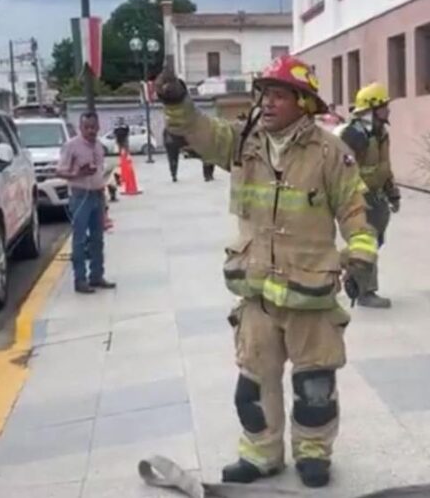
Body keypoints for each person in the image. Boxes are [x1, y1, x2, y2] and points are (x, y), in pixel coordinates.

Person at [155, 55, 377, 489]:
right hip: (257, 289)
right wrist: (176, 100)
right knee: (254, 383)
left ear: (304, 104)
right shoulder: (244, 144)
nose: (268, 103)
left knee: (314, 384)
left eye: (279, 95)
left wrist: (361, 258)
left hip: (310, 290)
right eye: (265, 94)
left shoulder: (331, 152)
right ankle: (261, 454)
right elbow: (200, 131)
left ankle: (313, 452)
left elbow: (354, 210)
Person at [337, 82, 400, 309]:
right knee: (368, 241)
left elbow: (384, 166)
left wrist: (392, 192)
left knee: (376, 240)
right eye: (384, 105)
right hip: (360, 198)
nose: (388, 109)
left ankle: (348, 268)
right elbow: (343, 171)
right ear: (373, 107)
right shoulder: (353, 135)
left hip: (378, 195)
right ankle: (365, 291)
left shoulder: (380, 132)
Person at [56, 113, 117, 294]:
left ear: (98, 127)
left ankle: (97, 276)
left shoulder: (98, 146)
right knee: (80, 239)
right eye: (86, 127)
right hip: (80, 196)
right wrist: (77, 174)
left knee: (97, 238)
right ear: (81, 128)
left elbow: (100, 172)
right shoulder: (71, 146)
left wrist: (104, 199)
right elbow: (59, 171)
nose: (90, 131)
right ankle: (80, 279)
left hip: (97, 195)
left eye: (93, 127)